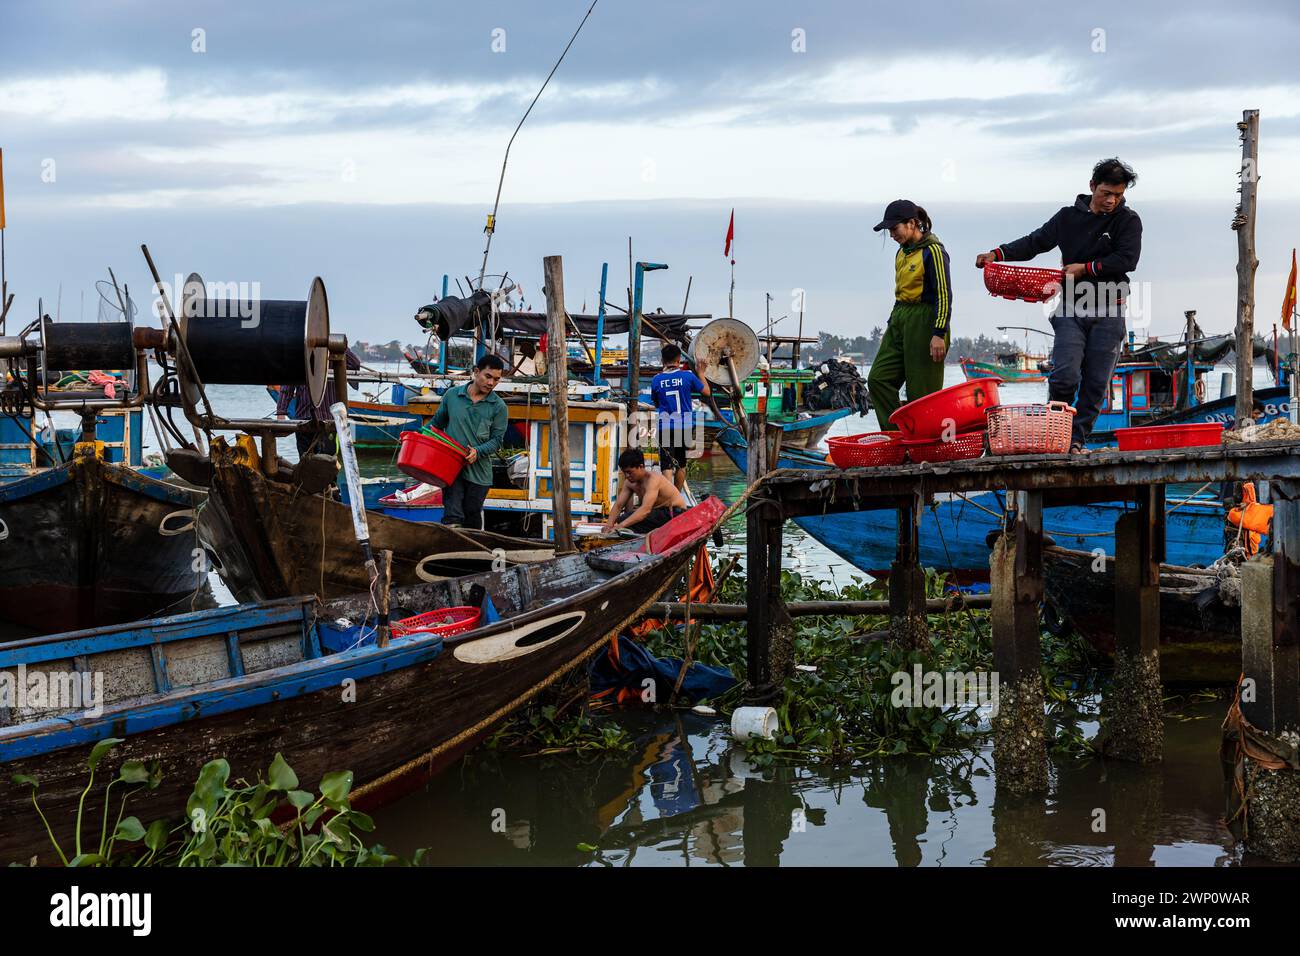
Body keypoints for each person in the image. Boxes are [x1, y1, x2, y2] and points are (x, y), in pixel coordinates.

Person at [976, 157, 1142, 452]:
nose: (1112, 200)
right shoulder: (1067, 218)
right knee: (1065, 374)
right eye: (1106, 193)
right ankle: (1056, 433)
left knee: (1095, 385)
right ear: (1092, 186)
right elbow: (1034, 242)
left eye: (1118, 194)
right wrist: (997, 253)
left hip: (1110, 310)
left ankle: (1076, 441)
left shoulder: (1128, 221)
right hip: (1071, 310)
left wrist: (1085, 268)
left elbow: (1127, 260)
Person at [866, 200, 954, 431]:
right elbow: (901, 293)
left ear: (913, 223)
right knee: (878, 379)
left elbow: (943, 295)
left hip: (925, 321)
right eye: (889, 231)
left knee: (921, 394)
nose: (892, 234)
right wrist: (893, 323)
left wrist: (938, 333)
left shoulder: (934, 251)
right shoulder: (901, 253)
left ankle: (922, 444)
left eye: (895, 229)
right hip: (900, 317)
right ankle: (896, 435)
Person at [429, 353, 508, 528]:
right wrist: (415, 439)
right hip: (451, 468)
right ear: (476, 372)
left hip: (479, 474)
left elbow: (497, 441)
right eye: (488, 376)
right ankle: (451, 552)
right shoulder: (452, 396)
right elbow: (435, 426)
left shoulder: (499, 407)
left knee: (472, 516)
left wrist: (477, 451)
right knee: (452, 517)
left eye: (496, 379)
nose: (491, 383)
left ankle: (472, 554)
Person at [275, 348, 362, 456]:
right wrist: (281, 411)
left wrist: (339, 346)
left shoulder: (333, 352)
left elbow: (354, 364)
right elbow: (288, 383)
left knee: (327, 462)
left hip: (328, 420)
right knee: (305, 461)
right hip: (305, 419)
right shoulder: (299, 353)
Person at [649, 343, 711, 491]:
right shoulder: (688, 376)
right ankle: (677, 496)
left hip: (666, 426)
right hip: (684, 426)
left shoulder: (656, 380)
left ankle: (668, 500)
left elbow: (656, 401)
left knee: (666, 465)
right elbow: (707, 392)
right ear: (679, 360)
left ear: (663, 361)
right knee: (681, 463)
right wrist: (701, 373)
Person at [602, 448, 688, 533]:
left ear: (641, 467)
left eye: (629, 472)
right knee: (622, 519)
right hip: (658, 513)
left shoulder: (653, 480)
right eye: (625, 473)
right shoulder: (629, 483)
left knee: (626, 522)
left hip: (675, 513)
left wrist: (619, 527)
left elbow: (645, 510)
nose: (627, 476)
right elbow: (618, 505)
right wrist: (609, 526)